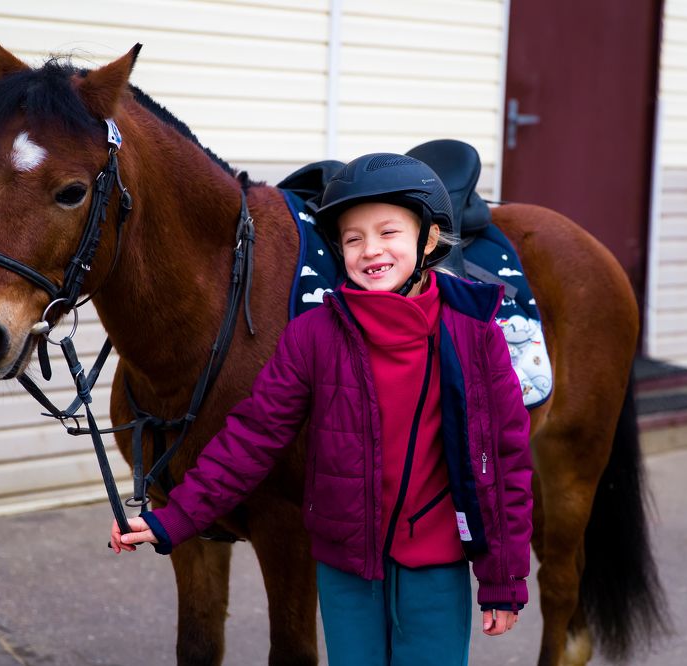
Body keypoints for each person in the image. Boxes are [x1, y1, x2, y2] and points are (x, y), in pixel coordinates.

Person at [110, 153, 533, 666]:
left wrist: (503, 577)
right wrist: (173, 519)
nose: (370, 250)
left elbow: (506, 462)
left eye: (389, 232)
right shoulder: (314, 336)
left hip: (436, 565)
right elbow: (251, 436)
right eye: (353, 239)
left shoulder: (476, 335)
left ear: (428, 240)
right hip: (346, 570)